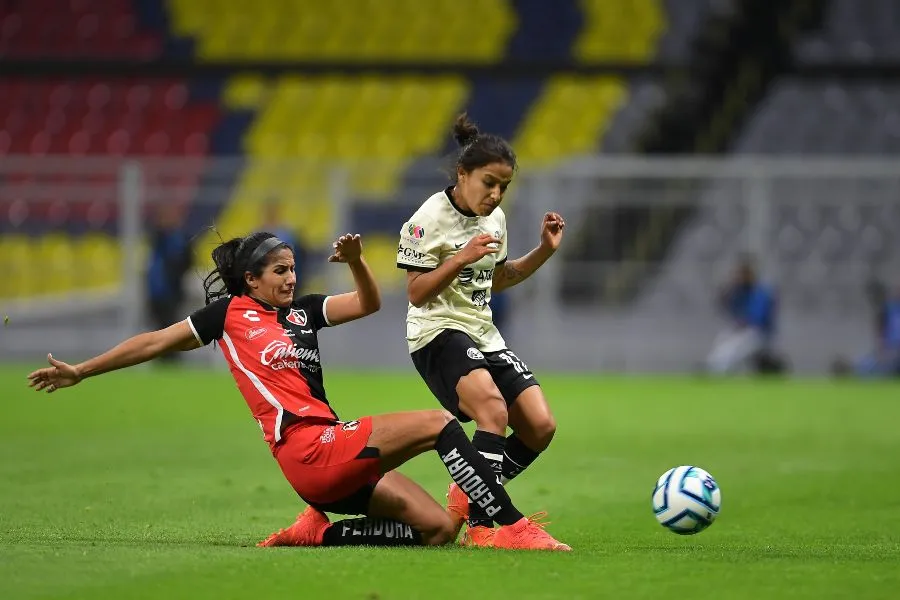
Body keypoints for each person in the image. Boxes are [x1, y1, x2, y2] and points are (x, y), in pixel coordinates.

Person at [27, 230, 569, 551]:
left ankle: (320, 533)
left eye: (292, 270)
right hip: (306, 450)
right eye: (279, 272)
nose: (289, 279)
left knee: (433, 531)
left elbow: (367, 305)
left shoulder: (303, 312)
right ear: (251, 281)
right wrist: (83, 370)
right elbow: (152, 342)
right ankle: (507, 523)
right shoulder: (229, 315)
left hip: (332, 452)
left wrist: (356, 263)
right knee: (440, 425)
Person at [396, 113, 568, 547]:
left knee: (540, 426)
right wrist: (459, 256)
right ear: (463, 174)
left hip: (483, 333)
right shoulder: (427, 219)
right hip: (436, 331)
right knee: (493, 411)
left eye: (503, 187)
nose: (495, 195)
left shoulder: (496, 220)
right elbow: (416, 293)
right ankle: (490, 527)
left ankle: (471, 491)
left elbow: (497, 277)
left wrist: (543, 252)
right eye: (488, 183)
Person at [705, 255, 785, 375]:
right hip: (742, 330)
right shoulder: (739, 292)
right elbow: (730, 309)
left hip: (759, 333)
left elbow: (757, 319)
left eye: (744, 274)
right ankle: (711, 366)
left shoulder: (761, 291)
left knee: (737, 345)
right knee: (723, 338)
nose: (741, 277)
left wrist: (743, 323)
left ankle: (718, 370)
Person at [145, 202, 193, 362]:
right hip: (157, 291)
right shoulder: (158, 238)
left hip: (172, 291)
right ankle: (163, 359)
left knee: (172, 328)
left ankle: (171, 359)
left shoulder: (179, 239)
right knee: (160, 328)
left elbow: (187, 261)